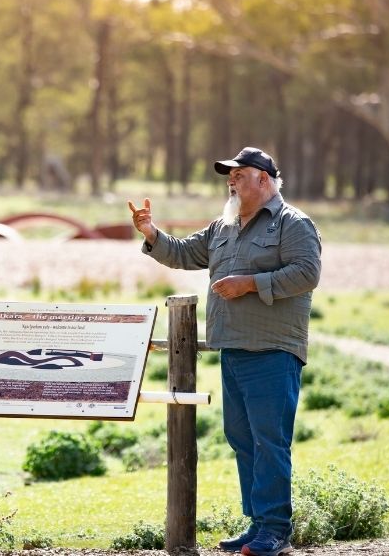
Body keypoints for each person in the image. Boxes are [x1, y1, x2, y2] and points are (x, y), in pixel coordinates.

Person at [129, 147, 321, 556]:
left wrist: (249, 283)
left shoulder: (294, 223)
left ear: (264, 180)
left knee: (270, 441)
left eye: (239, 174)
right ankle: (257, 525)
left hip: (273, 349)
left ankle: (276, 530)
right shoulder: (224, 226)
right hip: (232, 348)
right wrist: (151, 233)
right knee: (242, 438)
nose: (231, 180)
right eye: (228, 175)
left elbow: (307, 274)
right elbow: (182, 253)